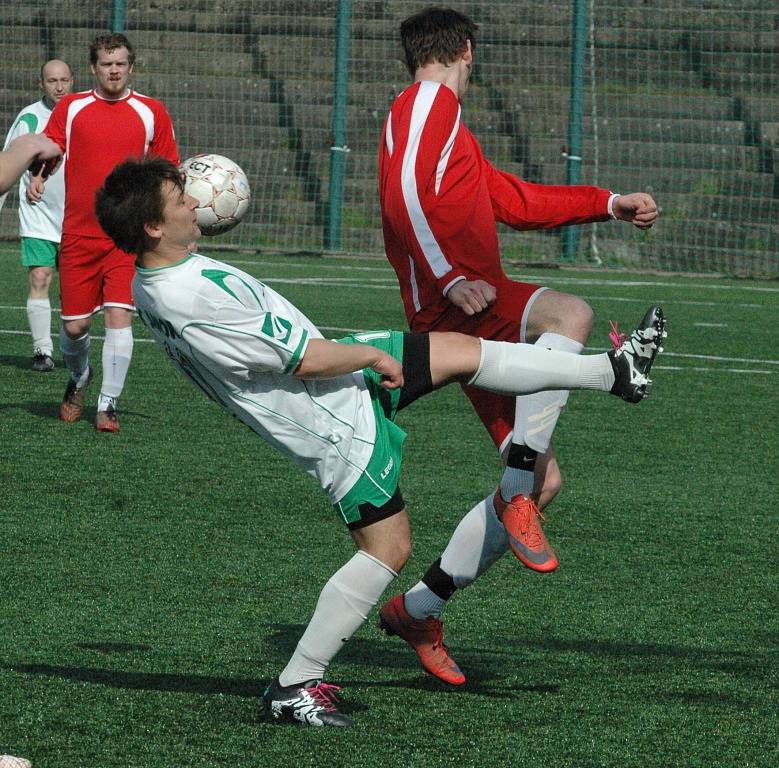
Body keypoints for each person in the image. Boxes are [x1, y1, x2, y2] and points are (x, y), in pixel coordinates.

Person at [95, 156, 665, 727]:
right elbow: (305, 361)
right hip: (333, 421)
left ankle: (616, 372)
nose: (195, 202)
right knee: (386, 548)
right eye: (180, 200)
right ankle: (295, 683)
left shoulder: (156, 281)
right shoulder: (193, 294)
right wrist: (369, 355)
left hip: (338, 382)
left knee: (461, 352)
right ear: (152, 228)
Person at [377, 6, 662, 685]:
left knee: (542, 477)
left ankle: (418, 608)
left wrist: (606, 202)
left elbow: (511, 198)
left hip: (471, 297)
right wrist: (448, 278)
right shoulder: (424, 103)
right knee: (570, 313)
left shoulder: (447, 128)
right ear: (466, 50)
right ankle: (515, 499)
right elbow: (401, 198)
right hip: (458, 302)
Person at [29, 33, 179, 431]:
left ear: (131, 67)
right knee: (75, 327)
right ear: (94, 68)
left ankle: (107, 404)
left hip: (125, 238)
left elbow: (168, 169)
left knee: (118, 316)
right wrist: (39, 175)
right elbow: (52, 146)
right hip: (78, 235)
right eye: (107, 64)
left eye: (121, 64)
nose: (114, 70)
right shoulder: (73, 107)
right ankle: (79, 377)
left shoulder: (151, 111)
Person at [0, 60, 74, 371]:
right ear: (41, 83)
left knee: (74, 291)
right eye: (51, 81)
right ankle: (42, 351)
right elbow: (7, 162)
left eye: (64, 80)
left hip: (76, 216)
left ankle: (73, 354)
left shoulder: (81, 112)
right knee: (40, 277)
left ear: (73, 80)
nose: (59, 87)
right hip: (39, 214)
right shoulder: (30, 117)